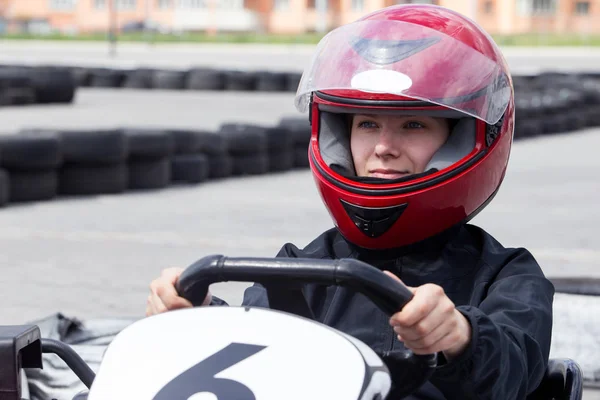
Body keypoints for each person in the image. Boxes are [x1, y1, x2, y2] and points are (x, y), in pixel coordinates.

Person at [146, 4, 554, 400]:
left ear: (465, 139)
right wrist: (194, 317)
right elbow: (251, 354)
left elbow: (514, 372)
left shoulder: (507, 275)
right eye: (367, 124)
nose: (383, 147)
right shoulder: (297, 269)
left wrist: (460, 337)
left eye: (413, 124)